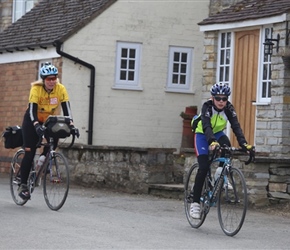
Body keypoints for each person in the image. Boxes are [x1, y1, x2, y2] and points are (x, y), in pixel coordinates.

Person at [190, 82, 253, 219]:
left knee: (227, 145)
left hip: (217, 133)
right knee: (203, 167)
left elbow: (236, 127)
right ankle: (195, 203)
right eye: (218, 98)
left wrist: (244, 144)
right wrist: (211, 141)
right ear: (212, 98)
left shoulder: (229, 108)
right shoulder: (207, 107)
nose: (221, 101)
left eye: (224, 99)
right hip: (202, 134)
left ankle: (220, 173)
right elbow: (206, 126)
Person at [18, 62, 78, 200]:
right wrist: (35, 125)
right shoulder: (36, 89)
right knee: (30, 151)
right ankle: (23, 185)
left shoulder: (60, 89)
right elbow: (32, 110)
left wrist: (72, 125)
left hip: (48, 120)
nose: (52, 81)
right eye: (49, 79)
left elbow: (67, 109)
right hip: (31, 120)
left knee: (52, 145)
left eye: (54, 78)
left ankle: (40, 166)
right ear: (44, 80)